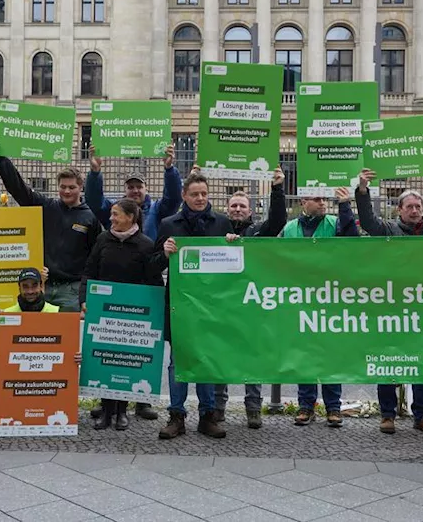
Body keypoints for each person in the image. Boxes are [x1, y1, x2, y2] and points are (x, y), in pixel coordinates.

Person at [355, 169, 423, 437]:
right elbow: (368, 222)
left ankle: (422, 414)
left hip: (422, 307)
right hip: (390, 306)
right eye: (409, 207)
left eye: (418, 206)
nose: (415, 211)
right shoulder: (388, 230)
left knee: (422, 361)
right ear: (399, 211)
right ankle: (387, 414)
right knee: (388, 358)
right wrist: (362, 190)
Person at [154, 171, 233, 439]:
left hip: (211, 306)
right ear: (184, 196)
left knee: (207, 360)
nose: (200, 198)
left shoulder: (222, 223)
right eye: (195, 194)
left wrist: (234, 244)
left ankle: (207, 416)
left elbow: (236, 264)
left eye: (204, 194)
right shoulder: (168, 224)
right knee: (178, 362)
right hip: (179, 306)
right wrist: (164, 254)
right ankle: (177, 416)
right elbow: (152, 263)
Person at [0, 138, 101, 312]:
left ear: (81, 187)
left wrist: (85, 293)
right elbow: (18, 188)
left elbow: (95, 259)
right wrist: (1, 159)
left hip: (72, 291)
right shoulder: (47, 207)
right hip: (43, 286)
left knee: (68, 337)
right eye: (63, 187)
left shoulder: (90, 217)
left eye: (71, 187)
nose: (66, 191)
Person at [213, 168, 287, 429]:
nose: (236, 209)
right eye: (233, 205)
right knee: (220, 358)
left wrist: (277, 189)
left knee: (251, 358)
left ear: (250, 210)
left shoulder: (258, 231)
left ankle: (253, 408)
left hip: (252, 306)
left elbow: (277, 221)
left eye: (242, 206)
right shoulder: (216, 231)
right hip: (223, 306)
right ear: (226, 208)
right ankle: (218, 407)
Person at [82, 198, 164, 431]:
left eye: (116, 214)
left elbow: (153, 279)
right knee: (105, 360)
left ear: (130, 217)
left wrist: (154, 309)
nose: (111, 218)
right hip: (104, 312)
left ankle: (122, 411)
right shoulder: (103, 239)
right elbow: (90, 271)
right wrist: (84, 298)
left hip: (132, 316)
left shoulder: (145, 244)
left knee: (126, 362)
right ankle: (107, 411)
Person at [283, 187, 358, 428]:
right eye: (317, 199)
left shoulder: (335, 223)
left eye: (324, 199)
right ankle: (306, 406)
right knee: (304, 353)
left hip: (329, 297)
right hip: (301, 298)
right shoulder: (290, 228)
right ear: (303, 200)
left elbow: (352, 241)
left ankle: (333, 407)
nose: (322, 203)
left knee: (329, 352)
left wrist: (345, 205)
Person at [86, 144, 181, 241]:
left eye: (139, 187)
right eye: (131, 187)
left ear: (146, 189)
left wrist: (169, 169)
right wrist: (95, 172)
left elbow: (173, 199)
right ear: (125, 189)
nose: (135, 191)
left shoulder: (156, 210)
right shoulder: (113, 209)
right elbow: (95, 201)